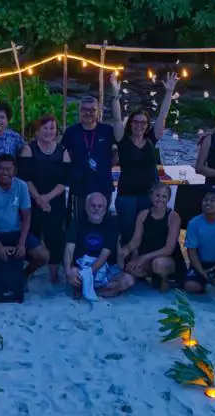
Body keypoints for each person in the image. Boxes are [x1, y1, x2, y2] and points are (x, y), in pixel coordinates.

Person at [110, 71, 177, 255]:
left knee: (145, 233)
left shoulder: (151, 140)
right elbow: (116, 118)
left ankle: (141, 265)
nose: (140, 125)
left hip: (148, 196)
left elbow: (162, 116)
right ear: (131, 123)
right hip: (126, 195)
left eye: (143, 123)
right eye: (136, 122)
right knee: (127, 232)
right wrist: (115, 93)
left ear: (147, 125)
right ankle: (126, 264)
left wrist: (169, 92)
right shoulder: (122, 140)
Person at [0, 154, 49, 281]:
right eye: (1, 169)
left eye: (8, 169)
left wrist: (21, 243)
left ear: (14, 171)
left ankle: (23, 276)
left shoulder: (22, 186)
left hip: (15, 232)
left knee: (43, 255)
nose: (5, 172)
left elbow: (26, 216)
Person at [19, 115, 71, 283]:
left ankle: (54, 276)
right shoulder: (29, 149)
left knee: (55, 237)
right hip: (32, 200)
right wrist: (38, 199)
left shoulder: (63, 151)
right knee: (31, 235)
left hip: (54, 201)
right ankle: (29, 271)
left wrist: (47, 198)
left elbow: (65, 181)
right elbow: (25, 178)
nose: (49, 132)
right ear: (38, 130)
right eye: (45, 128)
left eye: (52, 128)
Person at [64, 192, 135, 300]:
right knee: (72, 273)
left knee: (128, 280)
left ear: (105, 209)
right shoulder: (77, 221)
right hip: (82, 266)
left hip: (104, 268)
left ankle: (94, 290)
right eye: (93, 205)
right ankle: (99, 290)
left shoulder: (111, 223)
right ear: (86, 207)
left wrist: (89, 274)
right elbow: (69, 248)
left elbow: (105, 254)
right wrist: (67, 270)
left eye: (100, 206)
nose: (96, 209)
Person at [61, 95, 118, 219]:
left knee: (101, 222)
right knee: (79, 221)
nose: (88, 113)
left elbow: (117, 152)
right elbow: (65, 156)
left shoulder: (107, 130)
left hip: (103, 185)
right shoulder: (71, 132)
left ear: (98, 111)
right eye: (84, 110)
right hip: (79, 187)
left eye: (92, 110)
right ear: (79, 111)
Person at [122, 183, 185, 291]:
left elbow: (168, 249)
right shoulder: (143, 214)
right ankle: (153, 276)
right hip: (149, 256)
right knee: (131, 268)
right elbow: (136, 241)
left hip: (168, 259)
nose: (160, 199)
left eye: (164, 196)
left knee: (158, 263)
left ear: (169, 198)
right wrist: (124, 251)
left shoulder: (173, 216)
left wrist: (143, 257)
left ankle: (165, 279)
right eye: (157, 195)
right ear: (151, 196)